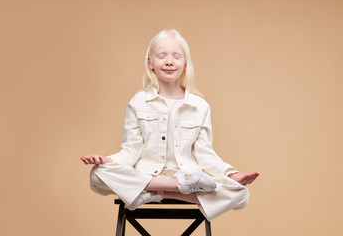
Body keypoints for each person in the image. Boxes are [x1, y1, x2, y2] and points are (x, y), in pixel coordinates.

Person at [80, 29, 259, 221]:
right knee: (98, 174)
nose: (169, 61)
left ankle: (154, 192)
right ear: (150, 63)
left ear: (185, 64)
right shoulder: (138, 102)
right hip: (149, 174)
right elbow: (131, 150)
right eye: (161, 56)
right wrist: (108, 161)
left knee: (241, 194)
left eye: (176, 56)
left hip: (190, 177)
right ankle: (171, 188)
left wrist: (230, 174)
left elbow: (205, 154)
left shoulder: (200, 106)